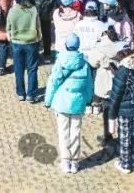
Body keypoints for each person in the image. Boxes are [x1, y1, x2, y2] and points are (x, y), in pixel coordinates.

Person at [44, 33, 94, 174]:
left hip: (61, 102)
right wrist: (89, 100)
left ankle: (66, 161)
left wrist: (48, 101)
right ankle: (75, 162)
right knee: (76, 131)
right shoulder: (84, 63)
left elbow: (53, 82)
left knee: (63, 131)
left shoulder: (60, 61)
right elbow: (89, 85)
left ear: (66, 45)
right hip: (78, 103)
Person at [108, 48, 134, 173]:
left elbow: (116, 96)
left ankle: (125, 165)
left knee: (125, 138)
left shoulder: (122, 72)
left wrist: (111, 116)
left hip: (124, 112)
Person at [6, 0, 42, 101]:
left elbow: (8, 27)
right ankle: (31, 94)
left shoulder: (12, 11)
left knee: (19, 68)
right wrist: (39, 38)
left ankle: (21, 93)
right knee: (32, 68)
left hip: (17, 43)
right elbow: (38, 27)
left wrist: (10, 37)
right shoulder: (33, 9)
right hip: (32, 42)